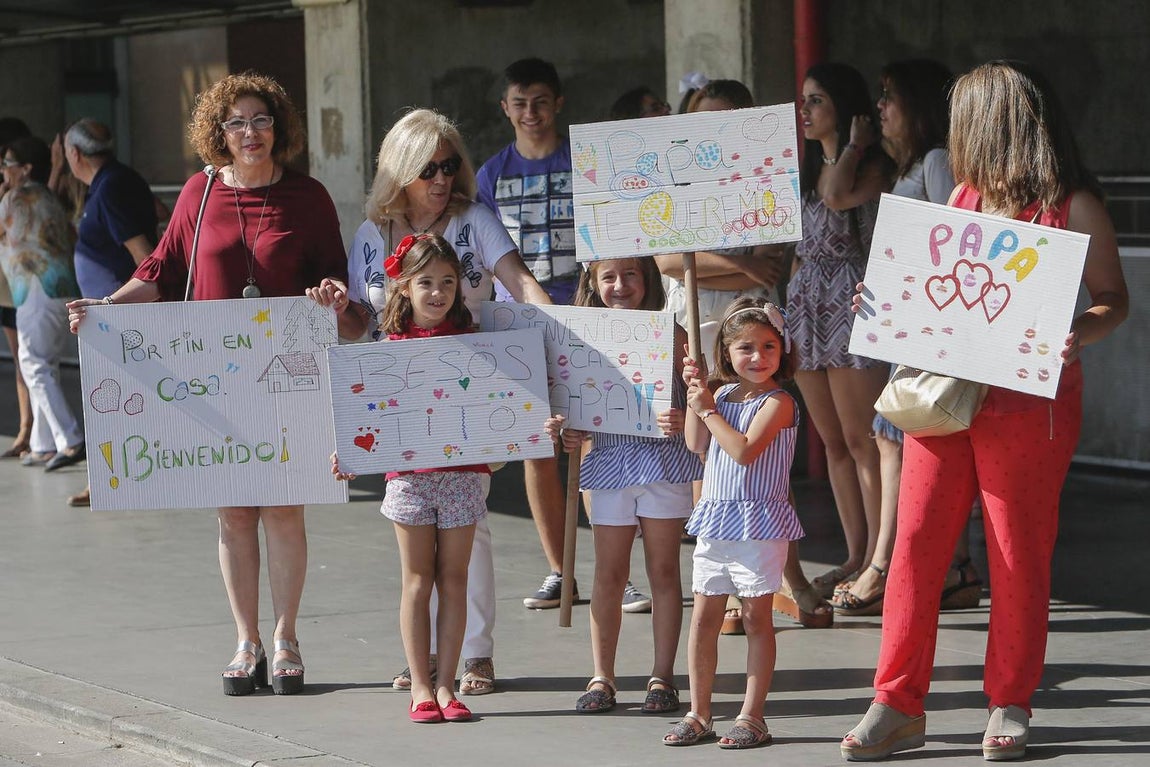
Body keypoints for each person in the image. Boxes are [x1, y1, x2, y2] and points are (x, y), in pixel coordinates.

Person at [841, 60, 1129, 762]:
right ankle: (897, 699)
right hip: (948, 395)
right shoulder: (964, 196)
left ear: (994, 123)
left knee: (1014, 552)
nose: (954, 131)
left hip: (1031, 402)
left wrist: (1077, 333)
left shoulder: (1074, 204)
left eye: (965, 117)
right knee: (913, 543)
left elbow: (1113, 300)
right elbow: (936, 291)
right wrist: (885, 306)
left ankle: (1009, 699)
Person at [68, 71, 352, 697]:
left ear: (279, 128)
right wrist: (106, 308)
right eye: (236, 123)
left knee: (283, 507)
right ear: (218, 133)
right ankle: (245, 639)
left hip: (284, 379)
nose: (250, 133)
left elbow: (336, 277)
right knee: (233, 513)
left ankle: (286, 639)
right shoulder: (199, 193)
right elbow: (162, 269)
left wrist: (330, 294)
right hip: (213, 378)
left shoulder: (309, 197)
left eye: (261, 121)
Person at [344, 107, 550, 696]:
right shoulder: (369, 234)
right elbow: (362, 322)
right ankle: (425, 660)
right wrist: (339, 307)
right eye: (427, 167)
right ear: (400, 171)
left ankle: (474, 656)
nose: (440, 178)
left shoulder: (474, 218)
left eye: (449, 165)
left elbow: (519, 281)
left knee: (470, 524)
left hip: (471, 383)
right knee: (414, 543)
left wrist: (565, 328)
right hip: (399, 398)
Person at [333, 233, 484, 724]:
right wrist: (351, 449)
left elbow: (502, 408)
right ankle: (420, 685)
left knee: (455, 580)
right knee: (418, 581)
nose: (437, 292)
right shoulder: (389, 349)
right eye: (425, 282)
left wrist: (531, 426)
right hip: (410, 480)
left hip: (462, 477)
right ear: (404, 286)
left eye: (447, 282)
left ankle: (447, 685)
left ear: (459, 286)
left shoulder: (478, 346)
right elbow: (368, 414)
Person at [543, 257, 699, 715]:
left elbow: (700, 393)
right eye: (608, 276)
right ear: (592, 281)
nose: (620, 285)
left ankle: (662, 676)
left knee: (664, 572)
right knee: (608, 574)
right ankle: (602, 676)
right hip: (609, 465)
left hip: (663, 465)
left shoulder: (670, 332)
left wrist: (684, 415)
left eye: (630, 274)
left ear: (647, 279)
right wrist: (568, 430)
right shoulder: (581, 337)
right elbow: (569, 406)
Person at [832, 59, 959, 617]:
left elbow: (955, 241)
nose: (880, 108)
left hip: (927, 326)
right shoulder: (905, 165)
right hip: (904, 324)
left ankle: (884, 564)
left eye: (890, 97)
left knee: (895, 436)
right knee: (891, 437)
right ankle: (950, 568)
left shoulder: (935, 161)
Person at [662, 297, 802, 749]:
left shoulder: (779, 402)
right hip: (719, 520)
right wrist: (696, 397)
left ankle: (752, 715)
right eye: (746, 348)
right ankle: (700, 712)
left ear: (782, 352)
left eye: (768, 347)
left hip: (759, 523)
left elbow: (744, 451)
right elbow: (697, 444)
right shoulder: (720, 396)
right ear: (726, 352)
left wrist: (706, 410)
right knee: (704, 617)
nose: (758, 357)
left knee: (757, 618)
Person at [788, 63, 893, 599]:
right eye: (803, 101)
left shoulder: (871, 165)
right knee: (830, 441)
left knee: (862, 438)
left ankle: (881, 556)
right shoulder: (799, 168)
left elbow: (835, 196)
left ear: (844, 110)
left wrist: (848, 146)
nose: (804, 111)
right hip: (807, 299)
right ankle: (854, 554)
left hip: (852, 295)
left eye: (816, 101)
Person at [475, 57, 577, 610]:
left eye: (540, 101)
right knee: (538, 447)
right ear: (505, 109)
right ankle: (560, 568)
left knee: (595, 445)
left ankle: (615, 568)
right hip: (520, 326)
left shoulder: (584, 163)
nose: (530, 113)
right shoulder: (490, 174)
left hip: (586, 315)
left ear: (557, 102)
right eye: (520, 103)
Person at [57, 118, 162, 507]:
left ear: (74, 153)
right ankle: (114, 477)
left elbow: (143, 253)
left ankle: (110, 480)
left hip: (116, 315)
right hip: (111, 313)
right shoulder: (114, 181)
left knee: (113, 400)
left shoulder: (112, 186)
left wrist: (131, 305)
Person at [654, 79, 786, 355]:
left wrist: (690, 272)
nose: (710, 131)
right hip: (686, 319)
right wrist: (742, 263)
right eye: (702, 122)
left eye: (721, 120)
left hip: (748, 325)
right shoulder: (674, 183)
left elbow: (764, 272)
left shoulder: (768, 180)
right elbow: (666, 262)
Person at [0, 136, 85, 472]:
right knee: (44, 364)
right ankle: (43, 444)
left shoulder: (15, 198)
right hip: (58, 287)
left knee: (34, 364)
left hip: (34, 288)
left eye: (7, 163)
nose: (3, 170)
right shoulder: (49, 195)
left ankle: (70, 438)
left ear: (25, 168)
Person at [0, 117, 33, 461]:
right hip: (10, 286)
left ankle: (29, 430)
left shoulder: (20, 193)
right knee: (23, 359)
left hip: (17, 286)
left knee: (27, 360)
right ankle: (27, 428)